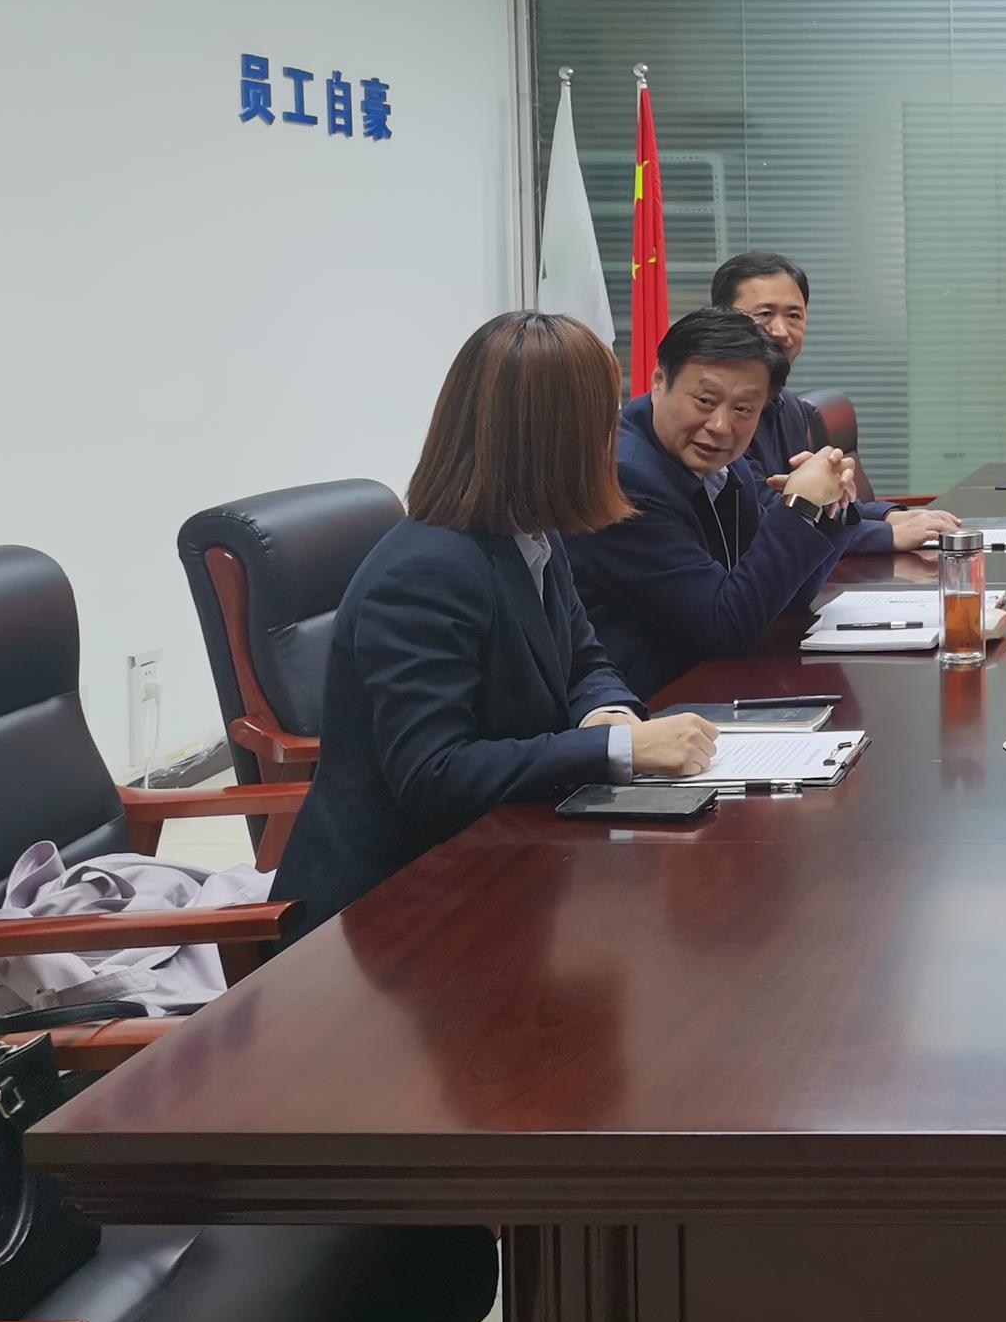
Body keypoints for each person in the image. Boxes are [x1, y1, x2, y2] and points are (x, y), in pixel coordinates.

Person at [273, 312, 724, 937]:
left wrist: (609, 716)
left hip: (495, 858)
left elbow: (583, 661)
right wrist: (616, 751)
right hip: (392, 912)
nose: (617, 435)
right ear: (556, 438)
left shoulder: (530, 533)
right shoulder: (428, 571)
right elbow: (433, 774)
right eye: (604, 419)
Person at [564, 307, 855, 700]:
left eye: (743, 409)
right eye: (704, 400)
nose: (720, 426)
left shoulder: (721, 461)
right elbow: (725, 627)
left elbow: (785, 597)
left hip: (709, 684)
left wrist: (829, 503)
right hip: (648, 704)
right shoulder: (626, 478)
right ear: (659, 382)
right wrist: (799, 507)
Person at [713, 249, 957, 554]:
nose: (781, 331)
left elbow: (810, 505)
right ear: (722, 320)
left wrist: (887, 516)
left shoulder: (790, 406)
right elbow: (766, 520)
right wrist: (886, 535)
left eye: (794, 316)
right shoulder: (716, 417)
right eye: (764, 315)